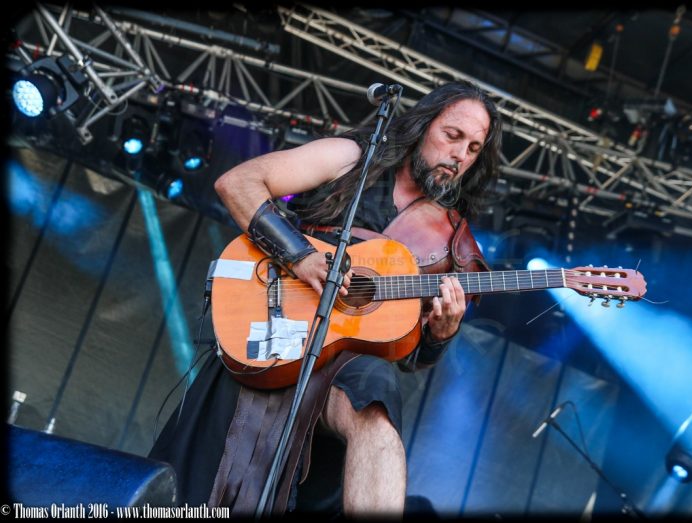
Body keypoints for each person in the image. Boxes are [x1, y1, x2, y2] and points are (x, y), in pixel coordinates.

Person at [149, 80, 502, 518]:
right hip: (278, 328)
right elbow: (238, 183)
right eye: (453, 135)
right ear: (424, 124)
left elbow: (410, 355)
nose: (460, 154)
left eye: (473, 148)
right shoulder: (351, 158)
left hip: (346, 364)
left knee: (377, 406)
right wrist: (299, 256)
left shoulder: (451, 239)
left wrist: (441, 334)